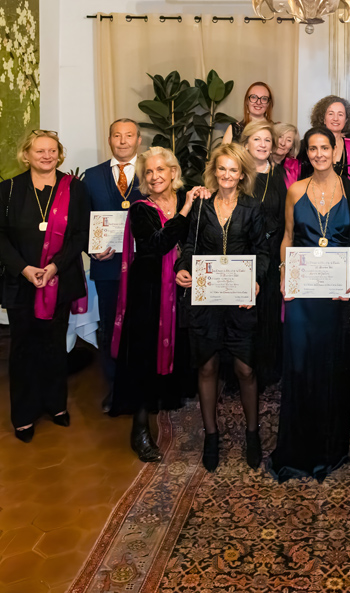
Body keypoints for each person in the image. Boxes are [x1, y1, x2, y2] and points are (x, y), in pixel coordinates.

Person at [265, 127, 350, 483]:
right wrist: (283, 273)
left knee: (331, 367)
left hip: (336, 296)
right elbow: (288, 238)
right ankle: (296, 449)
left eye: (326, 147)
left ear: (337, 150)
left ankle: (330, 449)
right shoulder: (295, 190)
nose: (320, 154)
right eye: (313, 149)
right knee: (300, 366)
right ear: (306, 154)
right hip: (302, 293)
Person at [0, 130, 89, 442]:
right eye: (39, 151)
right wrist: (24, 269)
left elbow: (80, 235)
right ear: (26, 155)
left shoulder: (76, 189)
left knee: (55, 346)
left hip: (60, 279)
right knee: (22, 349)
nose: (46, 156)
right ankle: (23, 415)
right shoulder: (9, 190)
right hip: (22, 282)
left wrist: (54, 266)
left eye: (52, 151)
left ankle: (56, 406)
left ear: (60, 155)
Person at [176, 143, 269, 472]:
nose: (227, 175)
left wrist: (257, 279)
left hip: (241, 298)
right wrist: (183, 267)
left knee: (245, 369)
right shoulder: (201, 206)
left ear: (241, 174)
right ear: (214, 172)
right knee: (207, 367)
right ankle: (211, 436)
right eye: (221, 169)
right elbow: (190, 245)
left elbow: (262, 251)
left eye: (233, 170)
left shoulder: (252, 207)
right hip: (207, 299)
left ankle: (253, 434)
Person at [110, 147, 203, 461]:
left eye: (160, 169)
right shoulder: (141, 208)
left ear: (173, 172)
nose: (154, 176)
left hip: (183, 289)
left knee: (180, 347)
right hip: (148, 293)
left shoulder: (186, 199)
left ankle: (169, 400)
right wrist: (186, 211)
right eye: (148, 172)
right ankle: (140, 430)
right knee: (144, 358)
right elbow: (155, 245)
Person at [82, 118, 144, 413]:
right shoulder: (91, 177)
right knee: (110, 328)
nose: (122, 141)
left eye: (128, 135)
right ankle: (115, 388)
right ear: (109, 140)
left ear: (138, 140)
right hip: (107, 268)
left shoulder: (151, 172)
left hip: (143, 267)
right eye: (117, 135)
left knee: (142, 327)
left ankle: (142, 388)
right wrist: (91, 250)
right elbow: (81, 224)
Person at [242, 120, 289, 389]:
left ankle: (268, 368)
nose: (262, 145)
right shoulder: (237, 173)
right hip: (244, 254)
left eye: (267, 141)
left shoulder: (280, 173)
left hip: (272, 255)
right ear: (246, 143)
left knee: (269, 311)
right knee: (245, 314)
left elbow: (286, 217)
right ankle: (243, 370)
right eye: (257, 139)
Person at [298, 96, 350, 182]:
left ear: (346, 119)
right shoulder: (306, 144)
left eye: (340, 114)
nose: (335, 118)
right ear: (323, 119)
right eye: (331, 114)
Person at [271, 122, 300, 189]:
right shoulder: (260, 163)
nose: (283, 143)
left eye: (289, 140)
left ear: (292, 146)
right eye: (280, 137)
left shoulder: (295, 167)